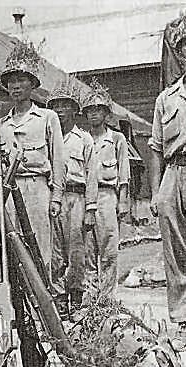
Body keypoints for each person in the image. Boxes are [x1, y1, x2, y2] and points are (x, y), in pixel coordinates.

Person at [149, 6, 186, 351]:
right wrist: (155, 192)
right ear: (178, 52)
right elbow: (154, 147)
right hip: (174, 173)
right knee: (177, 254)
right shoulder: (166, 98)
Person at [0, 41, 65, 277]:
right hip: (9, 192)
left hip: (37, 188)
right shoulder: (0, 125)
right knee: (11, 250)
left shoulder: (47, 117)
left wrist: (56, 197)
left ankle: (43, 307)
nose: (16, 87)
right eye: (11, 82)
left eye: (21, 81)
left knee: (40, 248)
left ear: (32, 84)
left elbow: (57, 161)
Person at [46, 80, 98, 319]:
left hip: (77, 198)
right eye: (55, 106)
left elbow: (92, 175)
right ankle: (59, 301)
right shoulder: (48, 138)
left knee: (76, 253)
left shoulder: (84, 139)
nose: (59, 110)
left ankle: (75, 298)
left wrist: (91, 208)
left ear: (74, 110)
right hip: (53, 197)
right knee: (54, 252)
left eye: (64, 105)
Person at [82, 79, 130, 301]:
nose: (93, 115)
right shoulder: (82, 139)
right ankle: (91, 298)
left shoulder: (116, 138)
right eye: (90, 111)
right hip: (84, 197)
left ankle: (107, 298)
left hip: (107, 196)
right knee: (87, 250)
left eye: (98, 110)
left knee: (109, 249)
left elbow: (124, 172)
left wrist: (123, 200)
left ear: (106, 113)